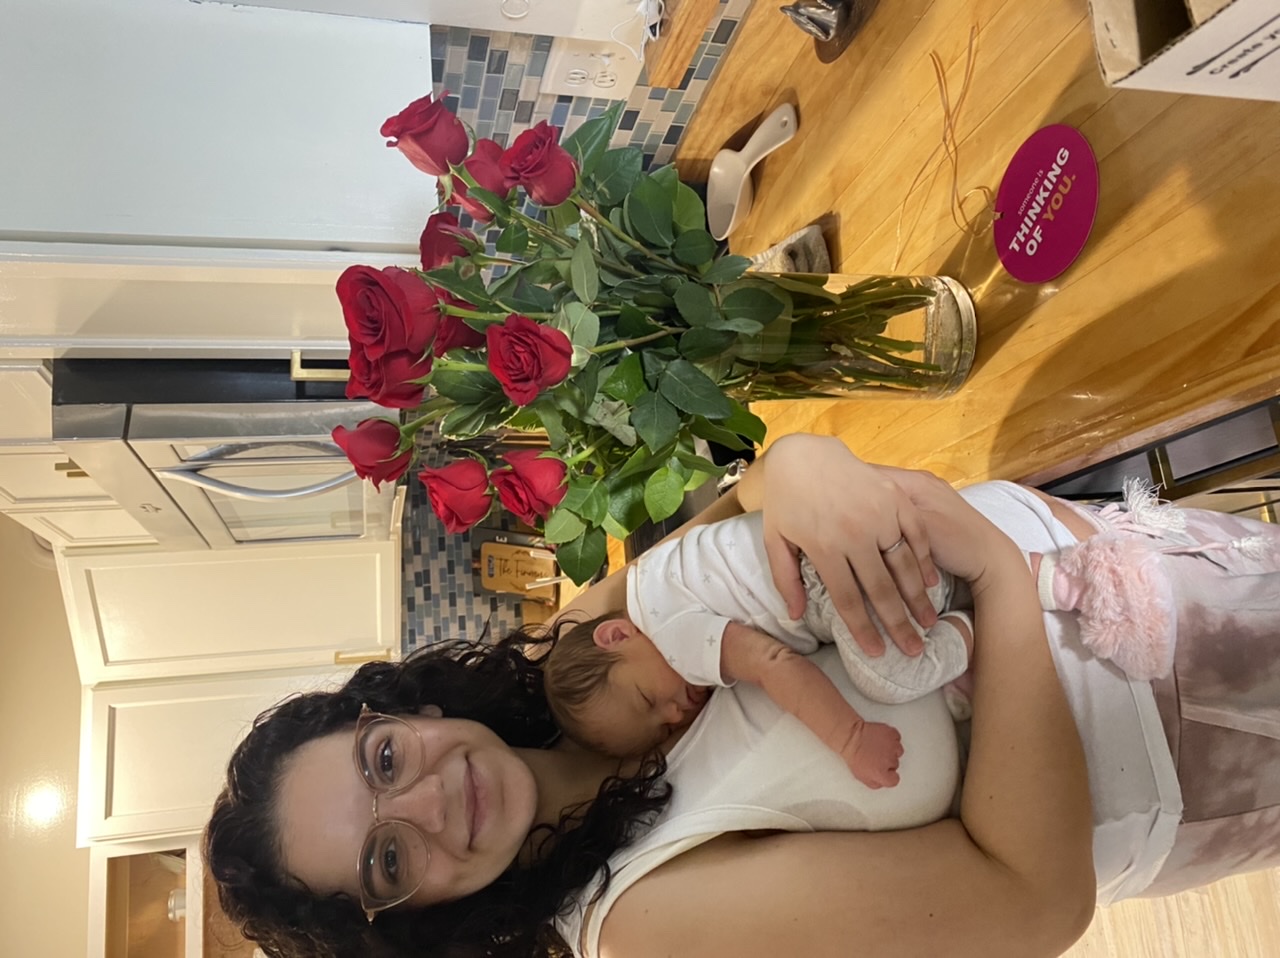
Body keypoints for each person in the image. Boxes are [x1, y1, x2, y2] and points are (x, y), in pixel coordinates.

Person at [204, 434, 1280, 958]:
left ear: (404, 714)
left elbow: (744, 509)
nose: (430, 803)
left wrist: (801, 464)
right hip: (1193, 730)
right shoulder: (641, 921)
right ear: (410, 927)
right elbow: (1028, 901)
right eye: (388, 860)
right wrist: (996, 577)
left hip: (1138, 560)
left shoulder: (571, 656)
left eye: (384, 762)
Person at [539, 508, 974, 788]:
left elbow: (774, 664)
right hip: (831, 531)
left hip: (827, 572)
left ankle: (976, 623)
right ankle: (959, 595)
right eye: (664, 730)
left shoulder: (670, 634)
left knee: (889, 678)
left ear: (615, 636)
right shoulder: (653, 575)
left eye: (647, 700)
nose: (674, 715)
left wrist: (852, 740)